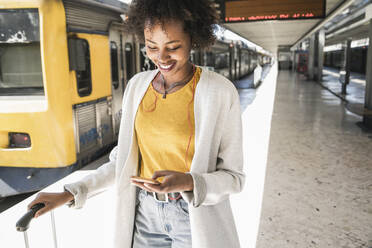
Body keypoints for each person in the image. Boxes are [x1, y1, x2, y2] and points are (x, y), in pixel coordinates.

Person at [28, 0, 245, 247]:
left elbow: (234, 178)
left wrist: (188, 181)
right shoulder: (137, 87)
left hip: (192, 216)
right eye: (151, 47)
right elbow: (122, 164)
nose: (161, 57)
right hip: (145, 215)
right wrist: (70, 193)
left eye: (173, 47)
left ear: (193, 39)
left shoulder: (219, 92)